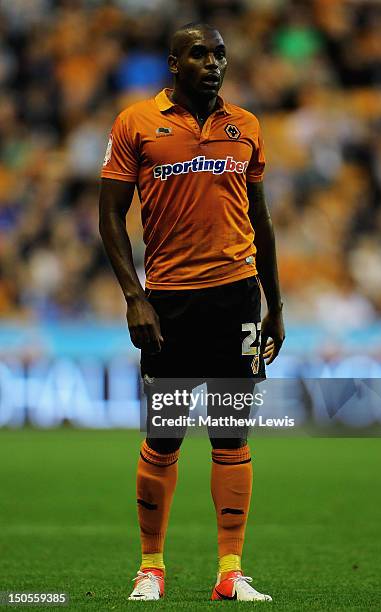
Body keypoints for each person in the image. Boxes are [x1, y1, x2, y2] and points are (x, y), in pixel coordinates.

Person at [99, 22, 285, 602]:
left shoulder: (246, 126)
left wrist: (275, 305)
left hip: (237, 298)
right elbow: (109, 214)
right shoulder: (135, 123)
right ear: (174, 63)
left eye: (220, 53)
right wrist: (135, 296)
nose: (213, 62)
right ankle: (151, 566)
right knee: (164, 439)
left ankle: (231, 572)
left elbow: (261, 217)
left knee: (232, 438)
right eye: (199, 54)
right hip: (170, 303)